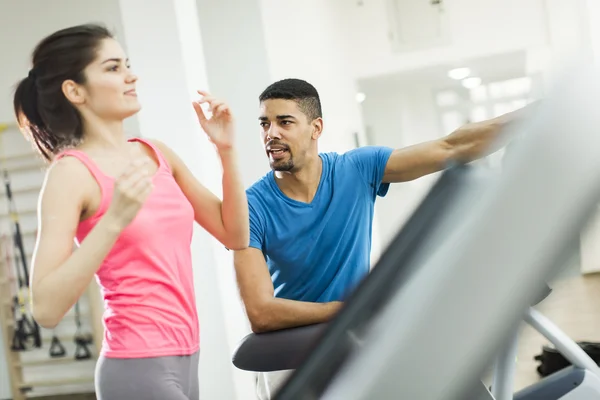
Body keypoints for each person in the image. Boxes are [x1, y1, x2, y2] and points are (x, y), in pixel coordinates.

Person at [232, 78, 528, 398]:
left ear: (316, 128)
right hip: (290, 359)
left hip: (354, 346)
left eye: (284, 122)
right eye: (265, 123)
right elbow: (261, 313)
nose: (271, 134)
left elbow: (451, 146)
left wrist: (534, 116)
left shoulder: (356, 169)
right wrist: (350, 309)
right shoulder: (250, 207)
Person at [13, 24, 249, 400]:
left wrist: (227, 151)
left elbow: (234, 234)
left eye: (127, 64)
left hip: (187, 355)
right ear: (75, 90)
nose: (130, 75)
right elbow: (45, 308)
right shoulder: (71, 173)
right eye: (112, 68)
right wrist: (115, 218)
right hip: (136, 364)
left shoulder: (155, 153)